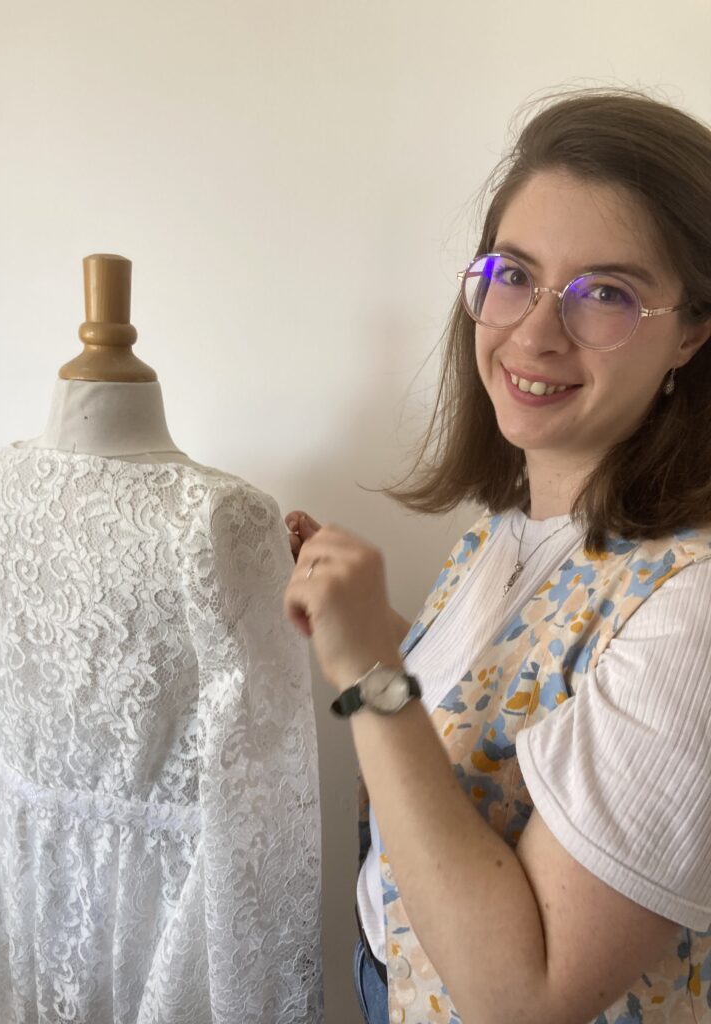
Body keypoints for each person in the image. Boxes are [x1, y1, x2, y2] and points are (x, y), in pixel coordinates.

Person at [283, 89, 711, 1024]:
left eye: (608, 294)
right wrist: (363, 612)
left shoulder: (694, 617)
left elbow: (527, 995)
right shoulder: (510, 524)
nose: (534, 332)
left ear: (691, 331)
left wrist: (369, 670)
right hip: (388, 974)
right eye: (514, 273)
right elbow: (518, 701)